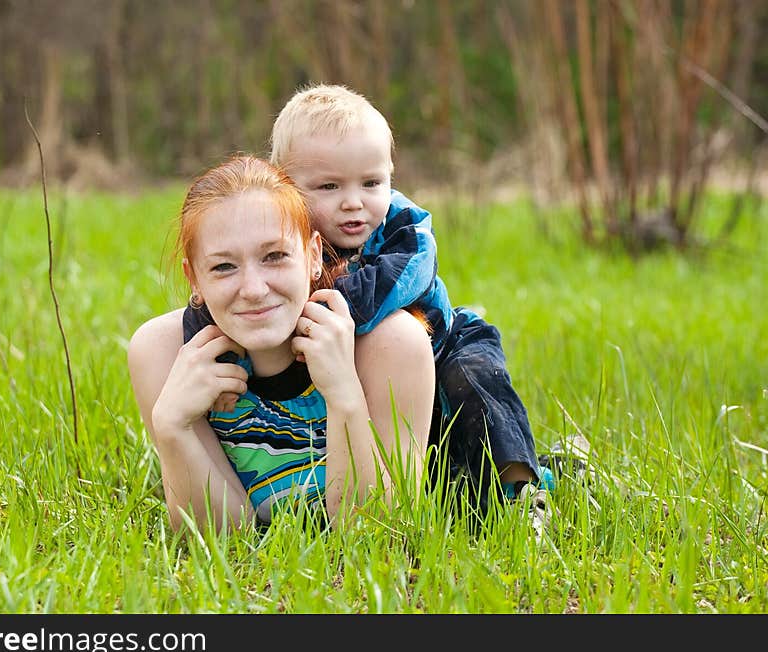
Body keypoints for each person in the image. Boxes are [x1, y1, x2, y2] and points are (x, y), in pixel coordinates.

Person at [184, 83, 551, 531]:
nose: (354, 202)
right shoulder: (281, 236)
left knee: (481, 395)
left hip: (445, 343)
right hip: (384, 375)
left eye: (371, 183)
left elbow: (393, 286)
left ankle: (523, 490)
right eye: (329, 186)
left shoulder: (403, 230)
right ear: (284, 184)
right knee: (442, 469)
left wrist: (321, 317)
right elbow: (206, 314)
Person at [128, 155, 435, 533]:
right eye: (224, 267)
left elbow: (378, 530)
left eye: (274, 256)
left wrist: (344, 395)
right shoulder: (163, 352)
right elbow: (225, 540)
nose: (254, 290)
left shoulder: (392, 345)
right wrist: (174, 426)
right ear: (194, 279)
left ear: (312, 257)